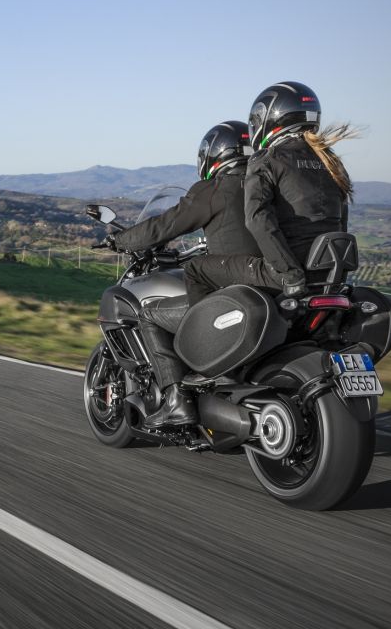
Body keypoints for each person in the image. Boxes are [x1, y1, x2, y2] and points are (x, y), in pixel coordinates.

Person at [108, 120, 261, 428]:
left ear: (213, 155)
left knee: (150, 314)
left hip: (231, 295)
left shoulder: (216, 189)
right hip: (271, 286)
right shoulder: (266, 184)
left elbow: (164, 225)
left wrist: (120, 240)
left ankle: (176, 400)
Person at [243, 81, 358, 298]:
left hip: (292, 273)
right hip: (329, 274)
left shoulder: (267, 160)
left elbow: (257, 219)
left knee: (198, 270)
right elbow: (341, 222)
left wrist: (291, 273)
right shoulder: (331, 161)